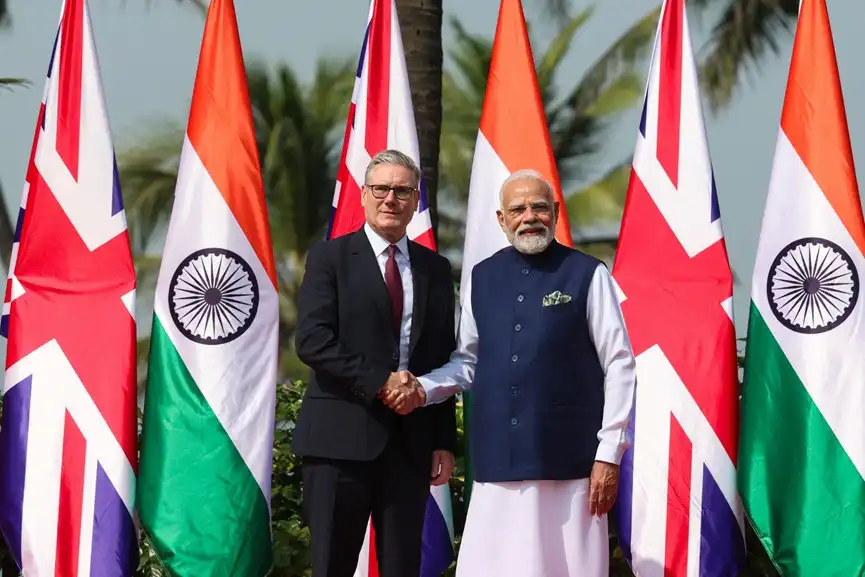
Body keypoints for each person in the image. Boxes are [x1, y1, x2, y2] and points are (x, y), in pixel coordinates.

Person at [387, 169, 637, 577]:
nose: (529, 216)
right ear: (501, 219)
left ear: (556, 212)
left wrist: (609, 454)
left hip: (569, 463)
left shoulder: (588, 274)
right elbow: (468, 362)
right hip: (496, 463)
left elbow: (620, 363)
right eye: (518, 209)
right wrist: (422, 387)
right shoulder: (481, 277)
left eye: (539, 207)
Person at [292, 149, 458, 577]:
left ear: (415, 199)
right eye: (381, 189)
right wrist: (381, 381)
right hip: (338, 443)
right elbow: (312, 341)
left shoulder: (435, 269)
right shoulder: (329, 258)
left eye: (402, 191)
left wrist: (442, 438)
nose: (390, 199)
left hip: (409, 446)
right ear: (364, 195)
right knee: (332, 566)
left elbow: (440, 355)